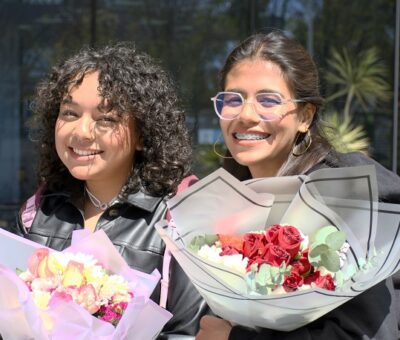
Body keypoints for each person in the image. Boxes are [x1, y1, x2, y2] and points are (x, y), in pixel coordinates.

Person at [196, 30, 400, 339]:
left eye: (268, 100)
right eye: (232, 99)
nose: (246, 115)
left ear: (305, 116)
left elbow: (366, 334)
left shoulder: (341, 197)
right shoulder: (227, 199)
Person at [5, 42, 207, 338]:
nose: (81, 132)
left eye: (106, 119)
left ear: (143, 134)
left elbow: (190, 333)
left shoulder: (179, 219)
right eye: (70, 114)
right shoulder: (36, 212)